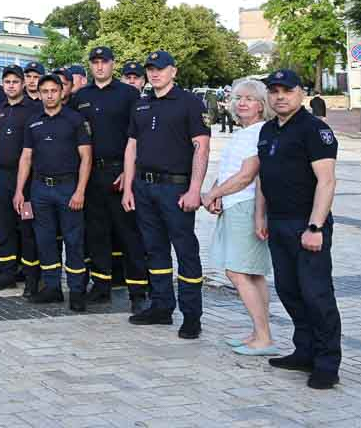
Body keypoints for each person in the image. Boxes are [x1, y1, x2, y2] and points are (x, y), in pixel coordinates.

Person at [258, 69, 341, 389]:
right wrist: (260, 217)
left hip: (307, 226)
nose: (280, 96)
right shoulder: (267, 130)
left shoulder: (314, 130)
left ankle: (327, 362)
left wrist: (315, 226)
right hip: (278, 224)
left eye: (286, 90)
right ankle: (304, 351)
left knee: (316, 295)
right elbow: (265, 178)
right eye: (274, 90)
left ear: (301, 93)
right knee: (289, 291)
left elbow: (327, 181)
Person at [121, 50, 211, 339]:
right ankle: (161, 306)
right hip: (144, 188)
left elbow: (202, 147)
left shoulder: (190, 103)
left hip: (176, 188)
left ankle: (191, 315)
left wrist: (195, 189)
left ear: (174, 71)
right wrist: (128, 187)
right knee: (154, 249)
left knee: (185, 251)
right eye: (150, 69)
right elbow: (131, 147)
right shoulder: (141, 105)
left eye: (160, 68)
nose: (154, 73)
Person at [201, 78, 275, 355]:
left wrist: (212, 194)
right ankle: (258, 332)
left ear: (261, 105)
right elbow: (229, 171)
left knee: (237, 271)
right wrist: (216, 192)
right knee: (252, 273)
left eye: (249, 98)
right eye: (238, 98)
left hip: (246, 206)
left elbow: (246, 176)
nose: (242, 103)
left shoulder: (259, 133)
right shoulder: (242, 132)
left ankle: (264, 337)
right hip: (234, 204)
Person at [72, 47, 149, 311]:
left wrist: (130, 171)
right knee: (96, 233)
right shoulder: (81, 96)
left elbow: (139, 137)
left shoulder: (128, 94)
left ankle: (138, 291)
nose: (100, 67)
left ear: (112, 64)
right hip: (91, 174)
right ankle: (101, 286)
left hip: (120, 173)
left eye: (104, 62)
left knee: (129, 234)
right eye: (95, 62)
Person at [16, 72, 92, 311]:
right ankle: (52, 288)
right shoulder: (33, 121)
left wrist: (80, 191)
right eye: (45, 91)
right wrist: (19, 190)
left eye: (53, 91)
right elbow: (26, 157)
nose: (49, 95)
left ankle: (77, 291)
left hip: (68, 187)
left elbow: (86, 157)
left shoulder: (75, 119)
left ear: (62, 92)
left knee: (73, 240)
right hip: (40, 189)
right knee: (45, 240)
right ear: (39, 94)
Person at [0, 65, 39, 292]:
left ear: (23, 84)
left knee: (27, 227)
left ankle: (31, 276)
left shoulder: (34, 110)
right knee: (3, 225)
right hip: (1, 176)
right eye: (7, 82)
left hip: (25, 178)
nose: (11, 85)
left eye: (15, 82)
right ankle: (7, 272)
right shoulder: (0, 110)